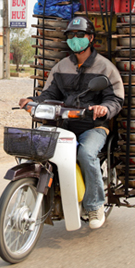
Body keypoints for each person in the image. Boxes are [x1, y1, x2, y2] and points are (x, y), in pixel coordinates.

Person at [19, 16, 124, 230]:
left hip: (92, 127)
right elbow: (49, 93)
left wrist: (104, 108)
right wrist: (32, 101)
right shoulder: (61, 67)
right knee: (37, 149)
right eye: (71, 36)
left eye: (79, 35)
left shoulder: (105, 67)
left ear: (90, 38)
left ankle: (94, 205)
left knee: (86, 154)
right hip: (63, 124)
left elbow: (116, 99)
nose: (75, 39)